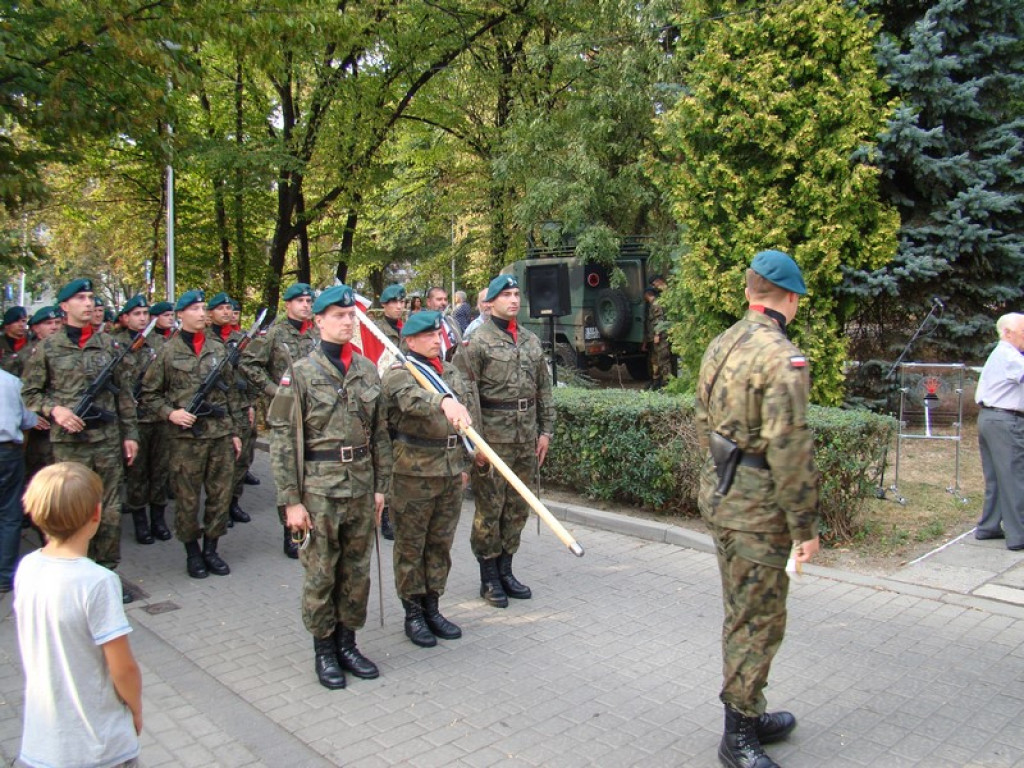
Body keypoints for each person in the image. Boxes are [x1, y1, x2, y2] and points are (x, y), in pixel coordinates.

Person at [695, 249, 819, 768]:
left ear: (749, 293)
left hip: (721, 496)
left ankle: (750, 709)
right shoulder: (780, 356)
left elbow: (703, 419)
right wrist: (804, 525)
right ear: (789, 299)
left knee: (740, 612)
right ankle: (739, 734)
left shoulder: (722, 342)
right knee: (758, 620)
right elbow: (789, 448)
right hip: (758, 512)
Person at [267, 284, 392, 690]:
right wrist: (290, 502)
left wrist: (380, 487)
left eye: (351, 316)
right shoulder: (300, 374)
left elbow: (381, 433)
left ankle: (348, 643)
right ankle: (324, 649)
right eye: (338, 316)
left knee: (356, 572)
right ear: (318, 320)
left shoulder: (366, 369)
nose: (347, 322)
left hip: (359, 486)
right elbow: (283, 440)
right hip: (318, 491)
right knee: (321, 573)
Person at [14, 462, 142, 768]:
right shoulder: (97, 581)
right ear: (96, 514)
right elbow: (122, 667)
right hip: (98, 746)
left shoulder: (28, 566)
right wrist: (135, 709)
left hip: (42, 742)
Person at [21, 278, 140, 604]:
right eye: (81, 298)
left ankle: (106, 573)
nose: (89, 303)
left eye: (91, 297)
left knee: (109, 510)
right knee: (70, 510)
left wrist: (130, 434)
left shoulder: (110, 346)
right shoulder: (47, 348)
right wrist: (55, 409)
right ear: (64, 306)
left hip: (106, 441)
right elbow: (30, 393)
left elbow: (125, 397)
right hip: (69, 444)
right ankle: (72, 575)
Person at [382, 310, 482, 647]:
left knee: (440, 544)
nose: (435, 340)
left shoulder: (449, 371)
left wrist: (467, 462)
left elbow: (467, 416)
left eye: (437, 334)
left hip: (451, 470)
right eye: (427, 336)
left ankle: (433, 606)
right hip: (414, 473)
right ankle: (413, 613)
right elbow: (412, 402)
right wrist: (442, 401)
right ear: (409, 340)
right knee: (412, 545)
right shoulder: (400, 374)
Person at [455, 274, 554, 608]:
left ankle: (506, 569)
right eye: (506, 295)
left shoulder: (530, 340)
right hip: (493, 440)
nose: (514, 300)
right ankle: (488, 577)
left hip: (525, 437)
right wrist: (475, 445)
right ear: (490, 302)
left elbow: (544, 388)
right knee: (489, 510)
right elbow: (466, 397)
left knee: (516, 508)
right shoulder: (477, 343)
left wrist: (546, 431)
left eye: (516, 294)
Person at [139, 290, 245, 579]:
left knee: (220, 496)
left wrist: (235, 432)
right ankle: (192, 552)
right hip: (185, 439)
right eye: (195, 309)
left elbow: (231, 394)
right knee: (187, 500)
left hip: (220, 435)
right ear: (180, 315)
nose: (201, 313)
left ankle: (212, 548)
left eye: (202, 308)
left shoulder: (218, 348)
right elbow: (148, 394)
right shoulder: (167, 352)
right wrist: (170, 413)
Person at [241, 282, 319, 559]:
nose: (306, 305)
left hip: (313, 413)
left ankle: (311, 523)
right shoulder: (274, 334)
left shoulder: (316, 334)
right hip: (285, 414)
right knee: (287, 471)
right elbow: (248, 364)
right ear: (288, 305)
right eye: (300, 301)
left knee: (311, 470)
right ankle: (290, 531)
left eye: (309, 301)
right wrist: (274, 391)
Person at [113, 295, 172, 545]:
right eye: (136, 314)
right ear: (125, 317)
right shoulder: (114, 344)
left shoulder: (159, 342)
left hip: (158, 417)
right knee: (137, 473)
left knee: (159, 470)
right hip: (133, 421)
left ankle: (158, 518)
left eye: (145, 314)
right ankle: (140, 522)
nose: (142, 318)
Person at [974, 313, 1024, 549]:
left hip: (990, 418)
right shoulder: (1009, 355)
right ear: (1007, 333)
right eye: (1023, 332)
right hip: (1005, 421)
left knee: (995, 476)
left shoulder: (1001, 353)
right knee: (1014, 477)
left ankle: (989, 526)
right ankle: (1019, 536)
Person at [207, 292, 256, 527]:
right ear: (210, 313)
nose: (226, 312)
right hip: (215, 409)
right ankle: (217, 507)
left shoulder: (240, 338)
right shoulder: (204, 341)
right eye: (221, 308)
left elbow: (251, 373)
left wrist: (251, 403)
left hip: (239, 405)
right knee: (219, 464)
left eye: (229, 308)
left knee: (241, 458)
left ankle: (232, 502)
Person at [373, 282, 407, 541]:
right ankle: (386, 515)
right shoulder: (376, 332)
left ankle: (398, 510)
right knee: (386, 462)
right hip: (383, 405)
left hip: (404, 406)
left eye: (402, 302)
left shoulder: (408, 332)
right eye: (394, 302)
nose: (399, 306)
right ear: (384, 305)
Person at [0, 368, 37, 593]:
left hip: (9, 454)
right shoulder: (12, 382)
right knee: (9, 514)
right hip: (7, 451)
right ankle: (5, 575)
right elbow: (28, 419)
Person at [643, 286, 672, 390]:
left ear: (647, 295)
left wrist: (657, 334)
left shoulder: (656, 305)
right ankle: (657, 382)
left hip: (661, 338)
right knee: (655, 360)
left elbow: (659, 320)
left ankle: (667, 384)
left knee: (663, 359)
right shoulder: (651, 305)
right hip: (654, 339)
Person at [425, 286, 462, 362]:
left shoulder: (453, 322)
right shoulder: (421, 325)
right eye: (439, 299)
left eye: (445, 299)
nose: (444, 303)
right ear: (428, 302)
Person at [0, 305, 28, 376]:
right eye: (16, 321)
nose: (21, 325)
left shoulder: (32, 341)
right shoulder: (2, 343)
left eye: (23, 321)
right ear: (7, 325)